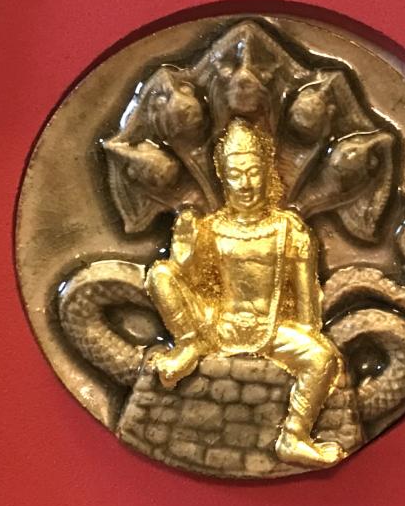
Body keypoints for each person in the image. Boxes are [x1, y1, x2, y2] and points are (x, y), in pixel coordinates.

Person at [145, 118, 346, 467]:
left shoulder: (289, 229)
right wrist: (184, 255)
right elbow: (191, 283)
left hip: (271, 328)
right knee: (160, 274)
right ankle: (188, 346)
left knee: (321, 358)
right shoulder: (211, 228)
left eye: (253, 173)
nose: (246, 184)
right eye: (236, 174)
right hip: (216, 325)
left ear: (267, 174)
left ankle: (294, 436)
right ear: (224, 177)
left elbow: (306, 302)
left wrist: (307, 334)